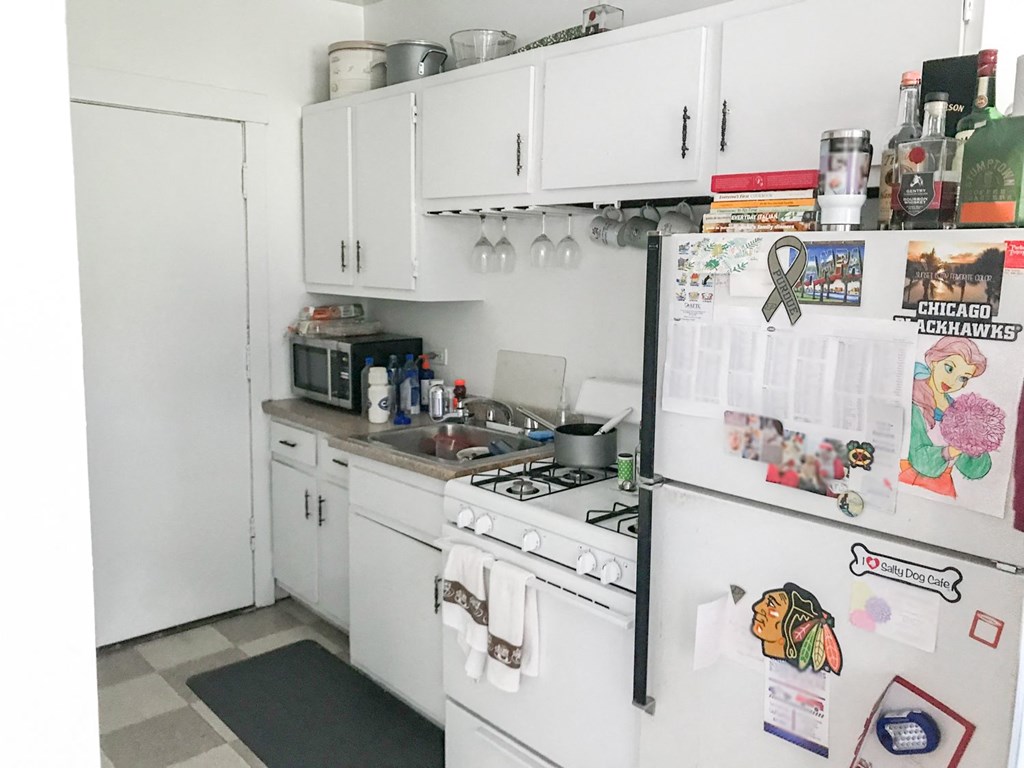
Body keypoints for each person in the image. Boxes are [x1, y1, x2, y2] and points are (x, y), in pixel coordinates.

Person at [899, 336, 993, 497]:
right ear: (934, 361)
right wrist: (949, 451)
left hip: (943, 488)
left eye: (962, 378)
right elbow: (918, 458)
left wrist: (975, 447)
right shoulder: (913, 401)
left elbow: (973, 470)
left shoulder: (958, 411)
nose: (951, 381)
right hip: (911, 484)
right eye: (949, 368)